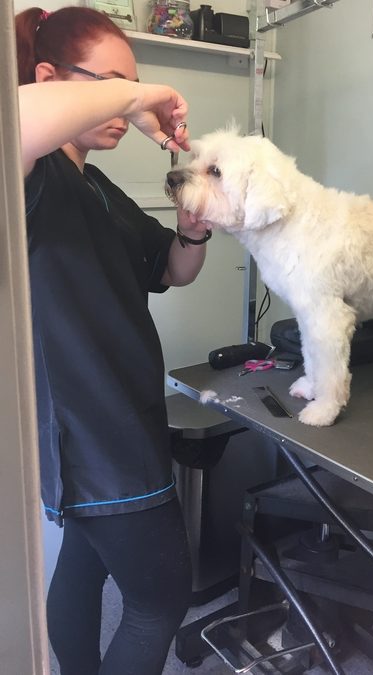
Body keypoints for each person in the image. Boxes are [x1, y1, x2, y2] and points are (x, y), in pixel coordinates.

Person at [15, 7, 210, 674]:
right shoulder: (32, 180)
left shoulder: (94, 186)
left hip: (122, 422)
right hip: (97, 437)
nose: (123, 109)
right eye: (108, 85)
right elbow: (14, 120)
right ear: (48, 79)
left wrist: (194, 228)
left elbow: (173, 270)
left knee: (83, 568)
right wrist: (140, 95)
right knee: (160, 600)